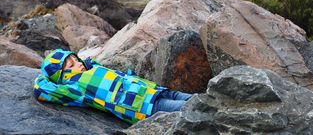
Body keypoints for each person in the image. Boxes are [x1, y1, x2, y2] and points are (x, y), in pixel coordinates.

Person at [33, 48, 193, 124]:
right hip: (146, 107)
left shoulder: (92, 66)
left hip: (154, 91)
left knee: (198, 100)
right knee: (193, 109)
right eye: (70, 66)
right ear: (62, 77)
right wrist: (45, 76)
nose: (78, 64)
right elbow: (41, 90)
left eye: (76, 59)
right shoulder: (75, 88)